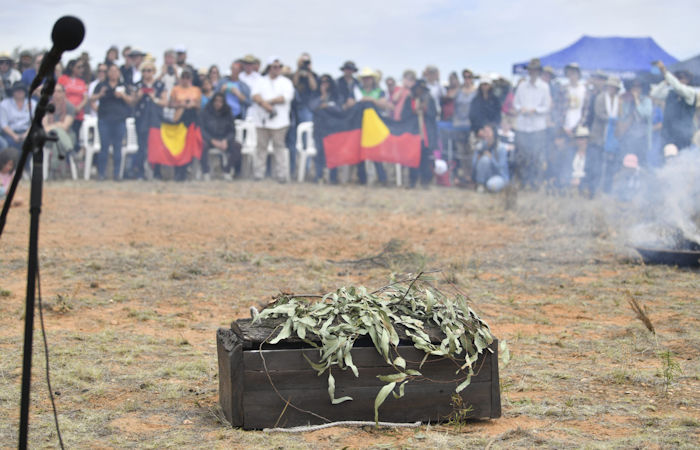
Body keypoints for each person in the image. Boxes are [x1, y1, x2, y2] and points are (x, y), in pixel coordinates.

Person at [250, 56, 294, 183]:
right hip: (261, 120)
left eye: (279, 67)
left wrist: (268, 102)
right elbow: (254, 95)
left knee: (279, 147)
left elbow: (285, 97)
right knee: (261, 147)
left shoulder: (286, 82)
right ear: (269, 68)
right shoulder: (260, 81)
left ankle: (281, 175)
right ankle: (258, 174)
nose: (277, 69)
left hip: (280, 121)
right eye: (274, 67)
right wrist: (265, 106)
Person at [90, 64, 134, 180]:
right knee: (103, 148)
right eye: (111, 71)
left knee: (117, 148)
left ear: (119, 73)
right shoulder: (101, 85)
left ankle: (117, 174)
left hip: (119, 120)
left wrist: (122, 95)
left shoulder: (123, 86)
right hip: (104, 120)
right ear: (108, 73)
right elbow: (91, 99)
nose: (114, 73)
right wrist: (100, 94)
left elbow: (131, 101)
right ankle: (101, 174)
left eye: (116, 71)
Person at [512, 58, 551, 189]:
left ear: (538, 72)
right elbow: (515, 103)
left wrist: (535, 110)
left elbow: (547, 106)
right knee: (522, 157)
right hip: (523, 126)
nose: (532, 73)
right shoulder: (522, 86)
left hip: (537, 127)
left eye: (535, 70)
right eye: (530, 70)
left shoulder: (544, 87)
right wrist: (521, 109)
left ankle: (535, 183)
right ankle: (523, 182)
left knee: (537, 157)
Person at [585, 76, 623, 196]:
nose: (611, 89)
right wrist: (612, 120)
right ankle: (593, 190)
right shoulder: (600, 98)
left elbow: (621, 115)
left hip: (612, 139)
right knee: (596, 164)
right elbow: (599, 114)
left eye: (614, 87)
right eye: (610, 87)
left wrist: (618, 122)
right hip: (598, 137)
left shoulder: (619, 101)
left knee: (610, 166)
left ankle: (607, 190)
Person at [131, 60, 167, 180]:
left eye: (149, 70)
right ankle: (140, 173)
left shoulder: (159, 85)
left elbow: (165, 102)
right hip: (141, 118)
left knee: (156, 146)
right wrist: (139, 95)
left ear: (154, 72)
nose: (147, 73)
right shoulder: (138, 85)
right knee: (142, 146)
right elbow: (132, 102)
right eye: (144, 71)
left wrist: (154, 98)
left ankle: (157, 173)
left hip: (155, 119)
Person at [651, 61, 699, 150]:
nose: (679, 80)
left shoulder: (691, 92)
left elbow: (679, 87)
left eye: (681, 78)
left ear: (688, 80)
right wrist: (665, 82)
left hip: (683, 137)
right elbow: (654, 94)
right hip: (668, 135)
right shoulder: (671, 93)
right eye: (677, 78)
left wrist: (664, 72)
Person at [354, 67, 390, 185]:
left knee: (375, 151)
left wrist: (371, 100)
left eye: (369, 78)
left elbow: (384, 104)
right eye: (365, 78)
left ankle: (382, 178)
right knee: (360, 151)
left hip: (374, 124)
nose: (367, 80)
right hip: (359, 123)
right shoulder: (356, 90)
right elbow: (349, 103)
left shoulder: (379, 91)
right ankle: (362, 178)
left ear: (373, 79)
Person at [401, 79, 437, 188]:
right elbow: (404, 115)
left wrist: (425, 109)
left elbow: (434, 115)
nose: (419, 91)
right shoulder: (409, 100)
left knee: (425, 159)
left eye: (421, 89)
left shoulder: (429, 99)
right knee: (413, 158)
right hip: (413, 133)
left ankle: (425, 181)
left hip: (426, 134)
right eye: (418, 89)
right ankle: (412, 181)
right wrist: (414, 111)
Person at [168, 67, 202, 181]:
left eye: (188, 77)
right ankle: (178, 172)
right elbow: (170, 104)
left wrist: (192, 104)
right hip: (179, 120)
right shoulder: (175, 89)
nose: (185, 79)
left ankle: (187, 171)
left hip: (191, 121)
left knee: (189, 147)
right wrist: (181, 103)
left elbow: (199, 105)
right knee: (179, 147)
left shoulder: (196, 90)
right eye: (183, 77)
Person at [200, 92, 240, 181]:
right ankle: (205, 172)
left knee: (237, 146)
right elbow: (202, 130)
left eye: (220, 101)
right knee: (201, 145)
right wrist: (211, 140)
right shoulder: (205, 112)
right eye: (216, 101)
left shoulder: (228, 112)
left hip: (224, 140)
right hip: (210, 139)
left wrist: (226, 140)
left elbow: (232, 131)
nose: (218, 103)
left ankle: (227, 171)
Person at [310, 74, 341, 183]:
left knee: (333, 154)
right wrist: (322, 97)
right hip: (319, 128)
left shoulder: (335, 95)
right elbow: (312, 107)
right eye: (322, 82)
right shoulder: (315, 95)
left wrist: (326, 106)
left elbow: (339, 109)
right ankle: (318, 176)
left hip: (332, 129)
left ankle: (333, 178)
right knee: (320, 153)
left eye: (327, 82)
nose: (324, 84)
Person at [42, 83, 76, 178]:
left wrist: (53, 126)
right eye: (54, 91)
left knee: (57, 139)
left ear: (64, 93)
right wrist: (57, 126)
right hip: (48, 137)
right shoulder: (46, 106)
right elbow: (45, 127)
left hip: (68, 136)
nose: (56, 94)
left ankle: (52, 170)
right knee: (57, 133)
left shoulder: (70, 107)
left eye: (59, 91)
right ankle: (70, 150)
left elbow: (65, 126)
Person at [619, 78, 652, 167]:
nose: (636, 89)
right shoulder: (627, 101)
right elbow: (623, 116)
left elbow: (645, 114)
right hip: (628, 137)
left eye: (638, 87)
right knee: (627, 161)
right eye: (634, 87)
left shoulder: (646, 101)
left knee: (641, 162)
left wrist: (637, 100)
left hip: (642, 137)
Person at [58, 59, 89, 152]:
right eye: (78, 67)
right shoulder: (63, 79)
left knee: (75, 137)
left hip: (78, 115)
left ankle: (73, 161)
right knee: (64, 136)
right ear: (71, 67)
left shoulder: (82, 82)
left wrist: (78, 107)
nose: (81, 70)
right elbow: (60, 94)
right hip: (65, 114)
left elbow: (85, 97)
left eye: (82, 67)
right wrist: (71, 107)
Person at [452, 69, 477, 181]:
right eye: (465, 77)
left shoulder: (476, 92)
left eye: (469, 77)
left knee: (470, 151)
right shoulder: (459, 92)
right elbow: (455, 107)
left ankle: (471, 174)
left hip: (471, 126)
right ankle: (464, 174)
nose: (467, 79)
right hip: (459, 125)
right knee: (460, 151)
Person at [471, 123, 510, 193]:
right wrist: (478, 159)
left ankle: (499, 187)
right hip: (487, 175)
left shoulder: (500, 148)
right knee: (484, 159)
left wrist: (491, 158)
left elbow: (501, 168)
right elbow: (473, 165)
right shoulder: (480, 146)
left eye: (488, 132)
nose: (485, 134)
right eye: (484, 132)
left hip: (499, 176)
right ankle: (481, 184)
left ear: (494, 133)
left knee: (492, 185)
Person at [0, 82, 36, 151]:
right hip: (9, 134)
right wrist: (14, 136)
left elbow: (34, 122)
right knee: (9, 145)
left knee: (29, 144)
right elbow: (3, 124)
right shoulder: (4, 104)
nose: (19, 92)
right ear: (13, 92)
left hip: (27, 132)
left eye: (22, 90)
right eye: (17, 90)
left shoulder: (32, 103)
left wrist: (25, 135)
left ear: (25, 92)